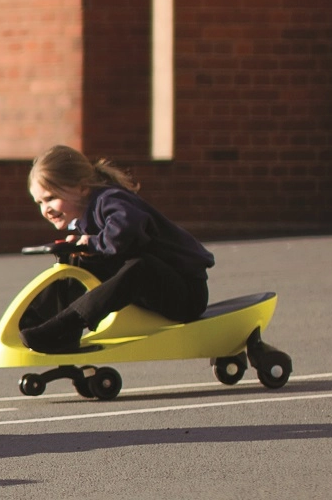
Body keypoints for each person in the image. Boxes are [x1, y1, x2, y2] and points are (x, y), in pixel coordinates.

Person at [19, 144, 215, 353]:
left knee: (141, 267)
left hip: (186, 294)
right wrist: (84, 247)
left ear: (82, 187)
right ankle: (32, 324)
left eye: (51, 198)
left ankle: (66, 324)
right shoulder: (88, 215)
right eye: (39, 202)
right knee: (76, 259)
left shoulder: (110, 200)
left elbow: (125, 233)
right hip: (156, 290)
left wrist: (92, 243)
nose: (45, 210)